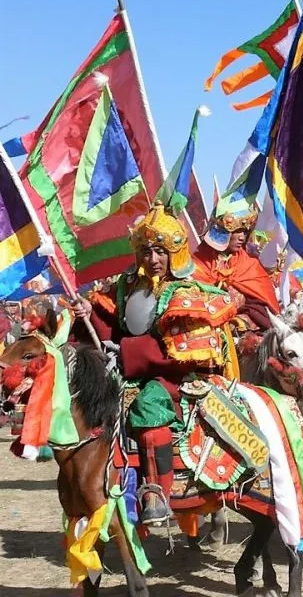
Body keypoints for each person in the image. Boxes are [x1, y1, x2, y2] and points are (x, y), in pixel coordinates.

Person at [71, 203, 238, 524]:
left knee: (149, 406)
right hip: (130, 370)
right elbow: (115, 327)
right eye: (147, 252)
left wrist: (125, 353)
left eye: (160, 251)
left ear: (174, 253)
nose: (153, 259)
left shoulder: (185, 293)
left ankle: (156, 492)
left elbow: (177, 351)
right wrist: (88, 313)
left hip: (174, 375)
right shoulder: (130, 285)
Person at [193, 207, 280, 334]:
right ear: (222, 230)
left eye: (245, 232)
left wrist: (242, 321)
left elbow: (262, 309)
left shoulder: (250, 265)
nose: (242, 238)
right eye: (238, 231)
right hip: (201, 331)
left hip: (240, 334)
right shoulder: (198, 262)